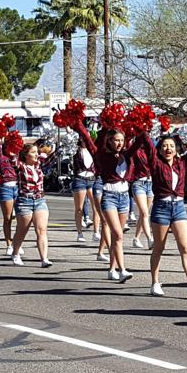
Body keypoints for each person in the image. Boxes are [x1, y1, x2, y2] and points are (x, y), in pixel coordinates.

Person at [73, 121, 142, 283]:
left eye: (122, 140)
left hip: (124, 197)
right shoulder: (102, 155)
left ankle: (112, 269)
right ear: (109, 140)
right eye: (116, 140)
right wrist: (85, 123)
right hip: (109, 196)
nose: (119, 143)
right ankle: (122, 270)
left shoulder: (127, 154)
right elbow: (88, 139)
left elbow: (140, 141)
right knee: (118, 234)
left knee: (116, 237)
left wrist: (141, 126)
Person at [144, 134, 187, 297]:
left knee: (185, 247)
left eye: (171, 146)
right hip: (161, 208)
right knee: (159, 248)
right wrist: (142, 128)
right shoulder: (156, 163)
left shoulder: (182, 163)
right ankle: (154, 283)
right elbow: (148, 145)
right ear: (159, 149)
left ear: (176, 149)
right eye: (165, 146)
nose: (168, 149)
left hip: (179, 207)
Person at [9, 143, 57, 267]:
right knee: (22, 231)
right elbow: (12, 158)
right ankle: (15, 253)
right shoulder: (21, 166)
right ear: (26, 155)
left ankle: (44, 259)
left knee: (41, 230)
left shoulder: (39, 165)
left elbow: (52, 158)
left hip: (40, 200)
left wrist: (60, 147)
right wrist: (9, 145)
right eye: (33, 152)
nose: (36, 155)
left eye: (37, 152)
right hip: (25, 201)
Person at [71, 139, 100, 243]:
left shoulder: (93, 150)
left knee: (96, 206)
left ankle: (96, 232)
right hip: (80, 179)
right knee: (79, 208)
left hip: (92, 179)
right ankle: (80, 233)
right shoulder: (76, 150)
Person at [129, 139, 155, 249]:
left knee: (144, 213)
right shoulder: (136, 150)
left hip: (150, 183)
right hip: (139, 183)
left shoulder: (152, 151)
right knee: (144, 213)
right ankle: (150, 239)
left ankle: (136, 238)